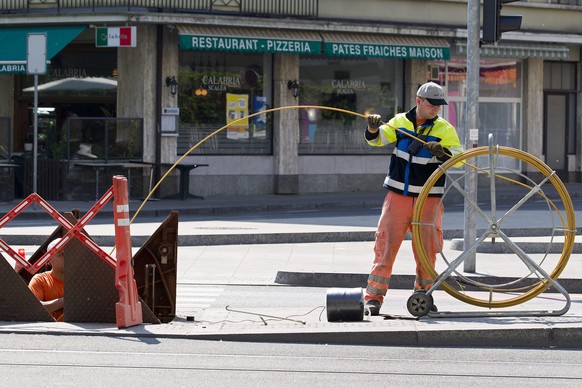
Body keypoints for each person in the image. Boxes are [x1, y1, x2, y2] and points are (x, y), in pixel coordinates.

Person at [363, 81, 463, 316]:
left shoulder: (445, 129)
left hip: (429, 199)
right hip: (398, 196)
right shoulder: (399, 122)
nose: (436, 109)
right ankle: (374, 298)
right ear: (418, 101)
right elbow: (376, 140)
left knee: (427, 251)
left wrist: (443, 153)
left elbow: (459, 157)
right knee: (385, 246)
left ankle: (424, 296)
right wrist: (373, 128)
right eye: (432, 104)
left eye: (440, 105)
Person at [28, 238, 65, 321]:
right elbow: (32, 308)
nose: (67, 258)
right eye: (61, 254)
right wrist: (63, 302)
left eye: (70, 254)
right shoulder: (40, 280)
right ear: (50, 259)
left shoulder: (83, 281)